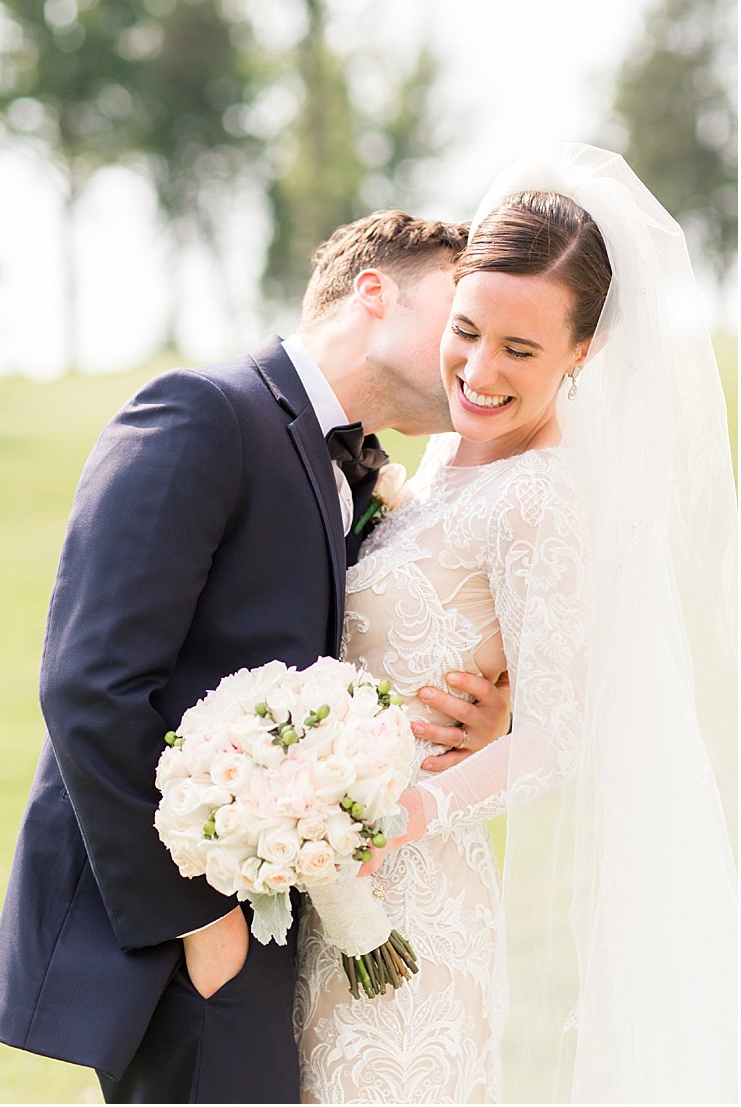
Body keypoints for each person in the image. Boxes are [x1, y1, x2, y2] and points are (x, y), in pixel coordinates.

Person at [0, 211, 515, 1102]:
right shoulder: (203, 412)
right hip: (195, 929)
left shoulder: (362, 468)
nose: (475, 358)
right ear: (374, 293)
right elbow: (90, 684)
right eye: (460, 321)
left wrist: (476, 708)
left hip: (299, 914)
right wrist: (201, 921)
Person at [295, 144, 737, 1103]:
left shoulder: (544, 497)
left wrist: (393, 816)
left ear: (587, 353)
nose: (478, 372)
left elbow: (555, 740)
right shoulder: (441, 455)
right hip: (323, 880)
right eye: (466, 329)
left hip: (409, 905)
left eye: (521, 351)